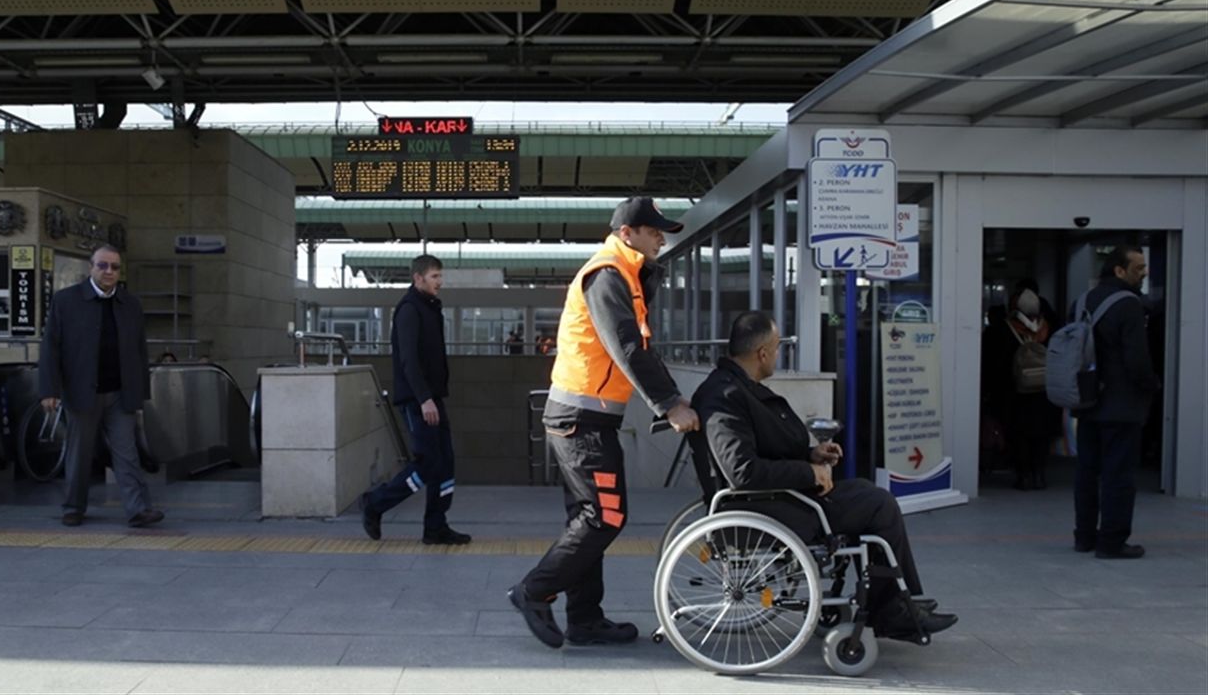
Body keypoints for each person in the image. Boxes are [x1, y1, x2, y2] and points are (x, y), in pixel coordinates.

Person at [689, 311, 958, 638]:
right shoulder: (726, 395)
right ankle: (892, 609)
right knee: (878, 504)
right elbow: (743, 471)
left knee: (865, 495)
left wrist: (810, 454)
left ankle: (895, 601)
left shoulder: (735, 387)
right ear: (762, 353)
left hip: (779, 499)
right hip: (769, 508)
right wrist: (809, 472)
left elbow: (759, 450)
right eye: (777, 348)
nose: (778, 354)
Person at [510, 196, 700, 649]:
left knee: (588, 517)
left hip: (586, 417)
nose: (661, 237)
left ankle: (585, 620)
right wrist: (670, 405)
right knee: (604, 517)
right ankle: (532, 591)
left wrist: (674, 397)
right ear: (627, 232)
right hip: (582, 420)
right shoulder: (607, 274)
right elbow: (627, 348)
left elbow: (642, 348)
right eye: (653, 230)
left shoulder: (628, 275)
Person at [38, 245, 163, 528]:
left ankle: (137, 509)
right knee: (79, 453)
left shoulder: (130, 304)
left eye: (115, 267)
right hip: (82, 391)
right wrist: (49, 389)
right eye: (103, 266)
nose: (109, 272)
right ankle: (73, 507)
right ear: (90, 268)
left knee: (126, 452)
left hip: (120, 392)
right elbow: (51, 348)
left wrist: (141, 391)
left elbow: (139, 350)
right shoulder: (66, 301)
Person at [357, 255, 471, 546]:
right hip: (418, 401)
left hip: (432, 398)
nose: (440, 282)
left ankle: (436, 526)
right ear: (418, 278)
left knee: (445, 463)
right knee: (427, 464)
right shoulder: (409, 310)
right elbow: (408, 361)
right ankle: (375, 503)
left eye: (440, 276)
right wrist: (423, 399)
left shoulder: (429, 308)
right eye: (434, 277)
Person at [1073, 245, 1159, 559]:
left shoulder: (1081, 301)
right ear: (1119, 271)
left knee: (1086, 472)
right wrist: (1152, 386)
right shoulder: (1130, 305)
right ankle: (1111, 541)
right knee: (1118, 475)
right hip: (1122, 406)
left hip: (1086, 401)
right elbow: (1137, 360)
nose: (1145, 272)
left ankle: (1084, 536)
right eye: (1138, 268)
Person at [981, 283, 1059, 489]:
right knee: (1041, 435)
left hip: (1013, 393)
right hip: (1044, 392)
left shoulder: (1000, 330)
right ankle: (1039, 473)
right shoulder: (1050, 329)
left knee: (1018, 435)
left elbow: (991, 365)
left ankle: (1023, 475)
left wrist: (989, 393)